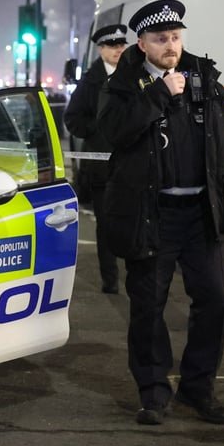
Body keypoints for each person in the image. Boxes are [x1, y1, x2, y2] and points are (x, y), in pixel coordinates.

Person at [97, 0, 224, 426]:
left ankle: (199, 388)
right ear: (142, 44)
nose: (171, 46)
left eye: (176, 37)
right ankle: (154, 393)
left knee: (216, 298)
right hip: (151, 214)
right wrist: (159, 94)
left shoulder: (204, 78)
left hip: (201, 211)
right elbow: (113, 133)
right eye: (161, 39)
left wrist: (216, 157)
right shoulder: (123, 84)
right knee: (147, 307)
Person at [64, 23, 128, 293]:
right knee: (106, 225)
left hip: (131, 163)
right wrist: (98, 130)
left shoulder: (133, 75)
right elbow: (72, 119)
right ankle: (110, 280)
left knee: (131, 222)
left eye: (121, 45)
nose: (118, 50)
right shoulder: (91, 81)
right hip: (103, 167)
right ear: (101, 49)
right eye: (112, 46)